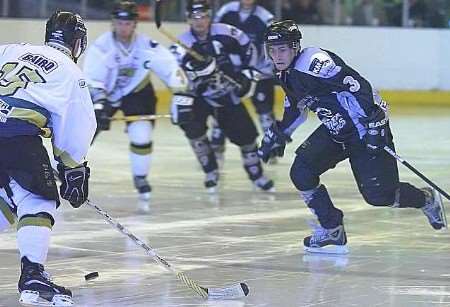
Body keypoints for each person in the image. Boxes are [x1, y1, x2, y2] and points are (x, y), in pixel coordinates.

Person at [258, 20, 446, 254]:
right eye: (272, 50)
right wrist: (279, 133)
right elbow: (297, 107)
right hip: (336, 131)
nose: (277, 55)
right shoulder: (284, 73)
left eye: (282, 49)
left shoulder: (314, 62)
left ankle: (426, 199)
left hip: (364, 128)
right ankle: (332, 229)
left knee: (380, 195)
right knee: (302, 172)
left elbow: (358, 86)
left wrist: (376, 124)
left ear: (295, 47)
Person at [0, 11, 96, 306]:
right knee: (37, 200)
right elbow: (77, 128)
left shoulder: (10, 49)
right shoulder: (70, 71)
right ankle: (33, 276)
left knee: (5, 200)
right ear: (77, 42)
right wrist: (73, 168)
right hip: (14, 135)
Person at [83, 1, 188, 211]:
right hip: (106, 95)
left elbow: (170, 67)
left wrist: (180, 97)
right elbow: (93, 80)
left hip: (138, 93)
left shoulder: (146, 46)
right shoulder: (101, 47)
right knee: (85, 130)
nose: (124, 27)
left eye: (128, 22)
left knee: (141, 133)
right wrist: (100, 106)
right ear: (113, 22)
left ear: (135, 24)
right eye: (120, 22)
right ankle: (65, 167)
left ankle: (140, 178)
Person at [170, 0, 274, 193]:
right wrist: (195, 74)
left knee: (247, 137)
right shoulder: (180, 45)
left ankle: (256, 175)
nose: (199, 21)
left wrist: (246, 75)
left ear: (210, 17)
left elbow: (249, 49)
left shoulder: (227, 32)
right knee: (191, 127)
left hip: (228, 94)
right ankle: (210, 170)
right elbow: (176, 76)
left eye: (203, 16)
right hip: (199, 96)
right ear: (188, 19)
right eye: (195, 17)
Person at [212, 0, 276, 164]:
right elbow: (214, 36)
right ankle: (217, 147)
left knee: (265, 112)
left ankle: (272, 146)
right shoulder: (226, 11)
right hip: (229, 72)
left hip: (258, 71)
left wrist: (261, 70)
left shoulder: (265, 17)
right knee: (222, 107)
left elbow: (272, 45)